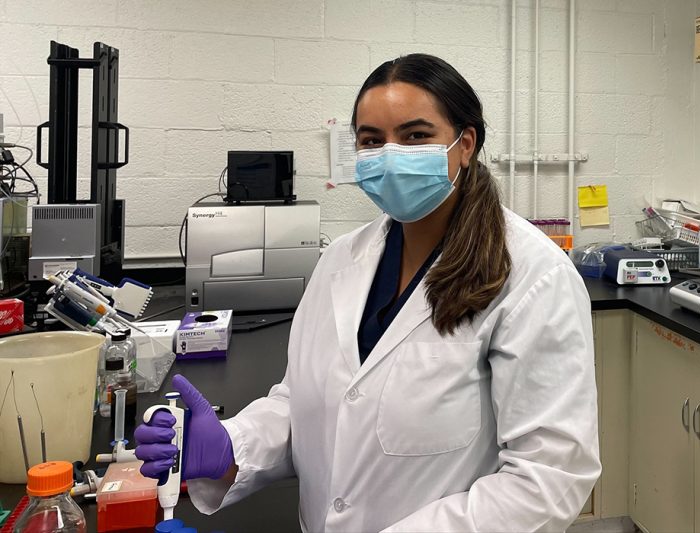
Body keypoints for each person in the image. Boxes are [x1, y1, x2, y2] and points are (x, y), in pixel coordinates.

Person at [135, 53, 601, 532]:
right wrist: (233, 447)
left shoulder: (532, 275)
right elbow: (308, 405)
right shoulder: (340, 260)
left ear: (466, 144)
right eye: (372, 141)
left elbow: (548, 477)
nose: (391, 154)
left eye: (416, 136)